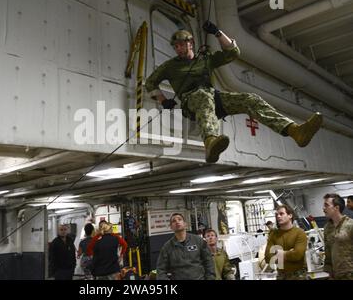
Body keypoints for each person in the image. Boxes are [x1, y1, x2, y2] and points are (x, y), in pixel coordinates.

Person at [145, 21, 323, 163]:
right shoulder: (170, 66)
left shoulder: (205, 59)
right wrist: (163, 100)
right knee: (203, 96)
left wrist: (217, 32)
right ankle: (210, 142)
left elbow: (232, 53)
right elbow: (150, 82)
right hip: (191, 101)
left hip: (213, 98)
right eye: (175, 47)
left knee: (250, 99)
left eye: (181, 45)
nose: (178, 49)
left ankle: (294, 131)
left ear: (190, 43)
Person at [156, 213, 215, 280]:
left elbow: (209, 262)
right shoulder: (167, 247)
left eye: (179, 219)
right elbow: (160, 270)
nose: (177, 222)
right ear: (171, 227)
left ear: (185, 224)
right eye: (174, 221)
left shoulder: (198, 241)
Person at [264, 205, 307, 280]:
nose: (278, 216)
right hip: (281, 275)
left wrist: (280, 253)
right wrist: (290, 253)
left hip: (298, 275)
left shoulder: (300, 233)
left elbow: (297, 255)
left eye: (281, 214)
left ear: (290, 215)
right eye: (277, 214)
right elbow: (268, 258)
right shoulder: (273, 234)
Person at [322, 193, 353, 280]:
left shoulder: (350, 225)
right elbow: (328, 252)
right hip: (336, 275)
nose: (323, 208)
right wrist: (329, 272)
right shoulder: (327, 228)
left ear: (336, 208)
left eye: (326, 205)